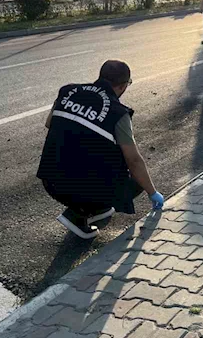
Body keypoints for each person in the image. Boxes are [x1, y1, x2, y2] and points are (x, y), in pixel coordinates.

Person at [37, 60, 165, 239]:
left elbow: (49, 123)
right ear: (122, 86)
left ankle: (91, 206)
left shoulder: (67, 91)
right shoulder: (118, 113)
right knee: (136, 180)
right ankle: (79, 214)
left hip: (49, 178)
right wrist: (153, 193)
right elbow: (134, 161)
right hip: (76, 186)